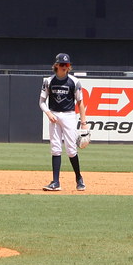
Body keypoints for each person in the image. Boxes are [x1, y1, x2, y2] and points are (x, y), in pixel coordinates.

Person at [39, 52, 87, 191]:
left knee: (71, 149)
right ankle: (55, 182)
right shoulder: (48, 81)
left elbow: (80, 102)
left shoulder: (74, 81)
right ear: (56, 65)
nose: (65, 67)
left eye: (67, 64)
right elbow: (41, 102)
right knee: (55, 148)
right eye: (62, 64)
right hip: (54, 115)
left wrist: (83, 123)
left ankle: (79, 178)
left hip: (69, 116)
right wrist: (48, 113)